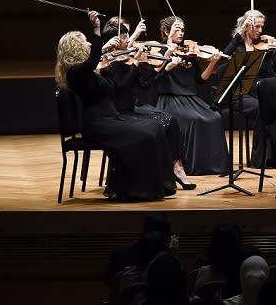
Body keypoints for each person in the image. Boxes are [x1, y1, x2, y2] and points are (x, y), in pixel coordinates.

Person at [54, 11, 176, 201]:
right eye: (85, 42)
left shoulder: (90, 72)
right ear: (75, 49)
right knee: (145, 135)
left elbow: (112, 88)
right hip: (98, 125)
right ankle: (134, 190)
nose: (89, 44)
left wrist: (110, 66)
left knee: (154, 127)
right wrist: (96, 29)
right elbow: (93, 58)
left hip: (109, 118)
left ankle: (158, 185)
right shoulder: (76, 72)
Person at [99, 17, 195, 189]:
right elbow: (120, 87)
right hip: (118, 113)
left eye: (127, 36)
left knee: (171, 121)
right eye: (124, 37)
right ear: (114, 41)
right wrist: (134, 63)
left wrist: (164, 61)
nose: (128, 41)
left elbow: (145, 84)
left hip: (131, 109)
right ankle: (150, 178)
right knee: (154, 128)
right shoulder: (107, 63)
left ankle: (177, 169)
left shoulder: (127, 59)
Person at [154, 15, 231, 176]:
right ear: (166, 31)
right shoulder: (160, 51)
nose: (181, 33)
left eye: (183, 30)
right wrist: (167, 56)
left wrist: (212, 63)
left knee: (215, 117)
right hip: (171, 99)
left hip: (191, 99)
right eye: (177, 29)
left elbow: (200, 80)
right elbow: (155, 79)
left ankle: (212, 165)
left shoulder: (189, 52)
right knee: (194, 120)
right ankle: (189, 166)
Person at [219, 9, 276, 166]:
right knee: (262, 108)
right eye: (256, 27)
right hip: (239, 93)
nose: (260, 31)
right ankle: (260, 158)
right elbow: (225, 56)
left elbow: (271, 73)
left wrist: (275, 51)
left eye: (261, 27)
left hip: (257, 92)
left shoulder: (264, 46)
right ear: (247, 26)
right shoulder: (237, 45)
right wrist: (240, 34)